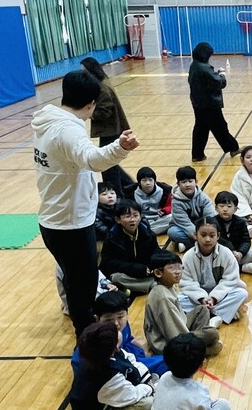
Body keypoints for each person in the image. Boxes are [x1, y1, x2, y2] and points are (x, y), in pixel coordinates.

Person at [33, 69, 140, 338]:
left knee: (75, 281)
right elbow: (92, 159)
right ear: (91, 103)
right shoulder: (68, 130)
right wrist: (121, 147)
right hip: (70, 225)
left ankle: (88, 333)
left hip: (53, 220)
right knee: (84, 287)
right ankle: (90, 343)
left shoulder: (49, 119)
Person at [69, 322, 157, 410]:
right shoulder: (106, 376)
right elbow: (131, 395)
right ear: (115, 347)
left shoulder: (100, 352)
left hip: (111, 395)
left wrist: (147, 380)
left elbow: (131, 362)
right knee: (150, 405)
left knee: (153, 387)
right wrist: (150, 388)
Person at [68, 291, 167, 375]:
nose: (116, 324)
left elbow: (127, 341)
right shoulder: (94, 341)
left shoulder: (124, 326)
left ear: (127, 314)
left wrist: (139, 349)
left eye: (120, 317)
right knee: (167, 362)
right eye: (108, 320)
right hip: (110, 374)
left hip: (127, 361)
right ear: (97, 319)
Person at [144, 250, 222, 356]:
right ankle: (194, 349)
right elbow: (174, 336)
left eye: (179, 267)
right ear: (158, 273)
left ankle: (197, 345)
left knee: (202, 310)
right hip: (168, 346)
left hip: (179, 331)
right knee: (214, 339)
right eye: (172, 268)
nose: (178, 272)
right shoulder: (162, 297)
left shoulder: (166, 286)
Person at [81, 57, 135, 197]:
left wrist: (90, 113)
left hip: (111, 129)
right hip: (112, 128)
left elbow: (106, 110)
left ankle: (116, 193)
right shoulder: (102, 83)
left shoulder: (101, 87)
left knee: (107, 164)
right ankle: (130, 185)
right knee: (110, 161)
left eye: (84, 71)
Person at [179, 217, 249, 324]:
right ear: (195, 235)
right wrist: (202, 298)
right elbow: (187, 283)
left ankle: (207, 314)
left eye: (212, 236)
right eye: (203, 235)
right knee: (177, 300)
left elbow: (229, 280)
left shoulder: (226, 253)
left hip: (219, 295)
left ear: (218, 236)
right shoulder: (188, 256)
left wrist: (214, 298)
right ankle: (220, 313)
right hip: (198, 297)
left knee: (242, 293)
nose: (207, 239)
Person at [189, 41, 239, 162]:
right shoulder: (205, 68)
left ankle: (197, 154)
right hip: (209, 104)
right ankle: (233, 148)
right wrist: (221, 74)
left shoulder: (194, 65)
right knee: (220, 127)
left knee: (201, 129)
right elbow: (219, 83)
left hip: (198, 103)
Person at [99, 199, 159, 295]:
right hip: (126, 273)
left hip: (145, 271)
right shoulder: (112, 238)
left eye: (135, 215)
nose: (132, 219)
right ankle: (150, 284)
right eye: (127, 216)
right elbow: (108, 262)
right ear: (118, 219)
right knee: (116, 278)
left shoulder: (147, 233)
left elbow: (155, 251)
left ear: (140, 216)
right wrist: (133, 268)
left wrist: (152, 265)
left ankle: (137, 287)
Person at [168, 166, 215, 252]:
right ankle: (200, 244)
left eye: (190, 181)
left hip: (202, 226)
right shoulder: (176, 202)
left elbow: (211, 216)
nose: (187, 185)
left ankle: (187, 245)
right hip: (184, 228)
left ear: (196, 182)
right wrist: (201, 236)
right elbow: (185, 224)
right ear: (178, 184)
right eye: (184, 182)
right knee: (172, 232)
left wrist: (207, 230)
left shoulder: (203, 197)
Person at [214, 190, 252, 275]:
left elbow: (246, 241)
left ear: (236, 209)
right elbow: (217, 241)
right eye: (221, 206)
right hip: (220, 254)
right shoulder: (213, 222)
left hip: (236, 254)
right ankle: (242, 267)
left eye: (229, 206)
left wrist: (240, 253)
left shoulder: (240, 222)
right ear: (216, 208)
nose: (225, 209)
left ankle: (233, 267)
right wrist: (231, 251)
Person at [130, 166, 173, 235]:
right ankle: (151, 230)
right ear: (139, 182)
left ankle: (145, 231)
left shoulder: (165, 190)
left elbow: (172, 205)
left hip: (160, 218)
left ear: (155, 181)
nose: (148, 183)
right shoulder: (131, 192)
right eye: (144, 180)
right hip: (141, 220)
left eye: (150, 180)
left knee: (174, 217)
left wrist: (165, 210)